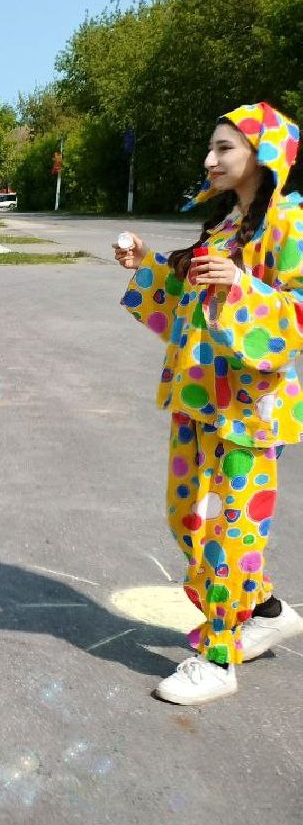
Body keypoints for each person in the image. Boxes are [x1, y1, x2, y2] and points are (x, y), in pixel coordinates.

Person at [117, 102, 303, 705]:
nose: (210, 159)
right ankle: (267, 609)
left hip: (252, 409)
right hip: (197, 397)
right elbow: (184, 305)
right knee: (184, 519)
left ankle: (217, 656)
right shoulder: (223, 229)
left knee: (233, 534)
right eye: (211, 147)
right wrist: (145, 263)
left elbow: (295, 315)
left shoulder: (290, 226)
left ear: (262, 154)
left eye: (224, 147)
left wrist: (242, 287)